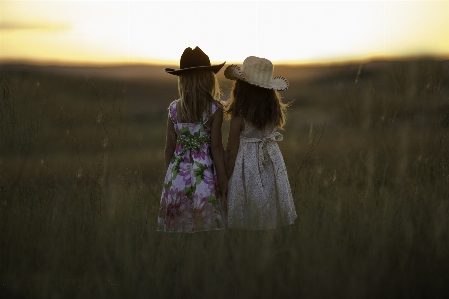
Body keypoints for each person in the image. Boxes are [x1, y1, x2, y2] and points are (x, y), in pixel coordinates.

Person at [157, 47, 228, 232]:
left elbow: (169, 147)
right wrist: (223, 180)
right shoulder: (214, 109)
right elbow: (217, 148)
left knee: (178, 227)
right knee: (205, 225)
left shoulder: (173, 109)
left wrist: (170, 176)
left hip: (176, 174)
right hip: (203, 175)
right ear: (207, 79)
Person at [224, 56, 297, 230]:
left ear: (240, 88)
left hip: (246, 167)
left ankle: (250, 242)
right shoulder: (273, 113)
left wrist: (224, 178)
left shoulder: (238, 118)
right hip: (272, 160)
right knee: (271, 199)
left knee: (250, 203)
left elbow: (231, 152)